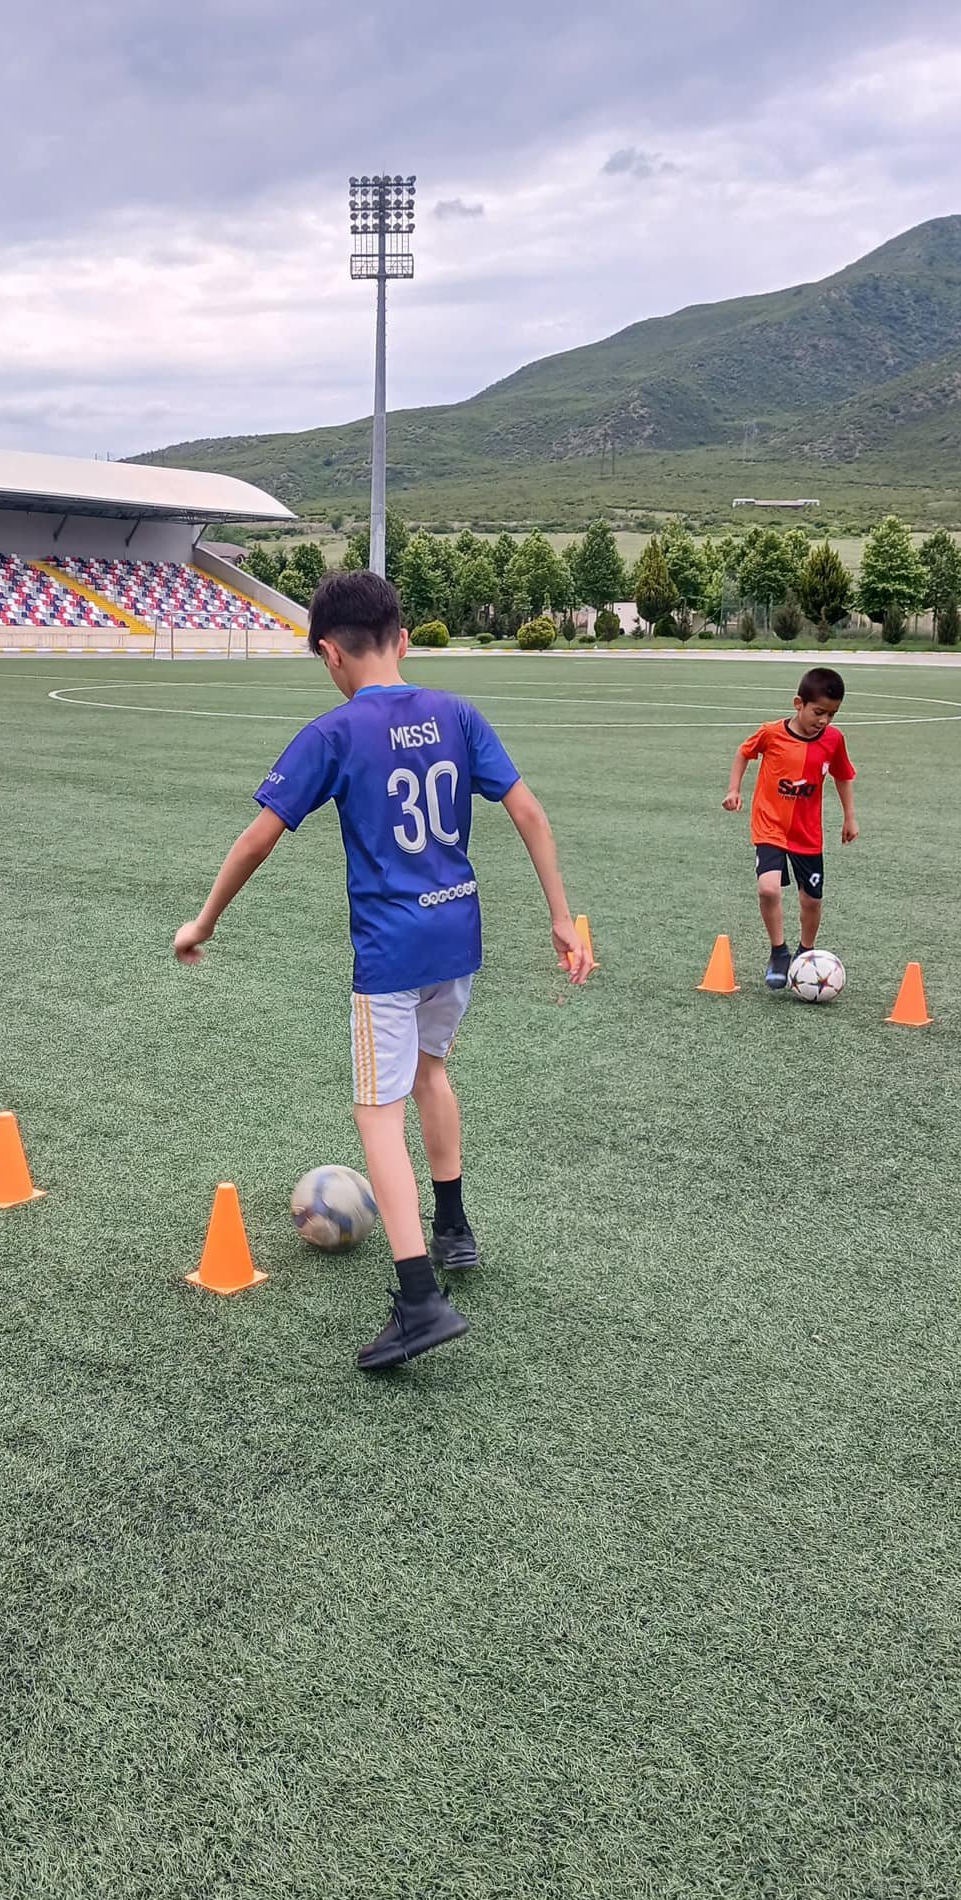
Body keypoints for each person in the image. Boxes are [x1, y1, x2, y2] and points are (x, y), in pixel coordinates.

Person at [174, 570, 592, 1370]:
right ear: (402, 639)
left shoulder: (333, 733)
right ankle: (454, 1228)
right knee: (431, 1072)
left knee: (378, 1114)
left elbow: (259, 838)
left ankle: (419, 1300)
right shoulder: (457, 713)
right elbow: (529, 812)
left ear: (330, 654)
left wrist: (205, 920)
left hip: (391, 951)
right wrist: (561, 918)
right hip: (458, 936)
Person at [723, 666, 858, 988]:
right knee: (768, 888)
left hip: (807, 834)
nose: (824, 721)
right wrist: (734, 790)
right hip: (770, 826)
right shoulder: (771, 733)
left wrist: (850, 816)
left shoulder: (833, 740)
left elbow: (843, 775)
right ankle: (779, 952)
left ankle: (805, 953)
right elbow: (744, 753)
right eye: (818, 712)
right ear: (799, 703)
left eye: (832, 714)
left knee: (811, 901)